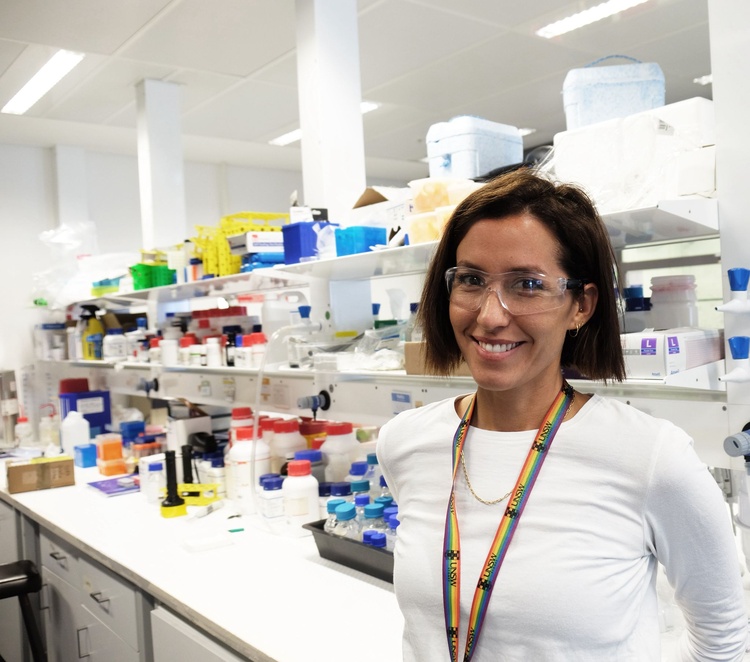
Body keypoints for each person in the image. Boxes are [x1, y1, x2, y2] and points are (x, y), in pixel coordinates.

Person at [377, 169, 747, 661]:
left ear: (581, 305)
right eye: (470, 279)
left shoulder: (651, 458)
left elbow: (723, 642)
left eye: (527, 284)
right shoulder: (404, 443)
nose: (490, 315)